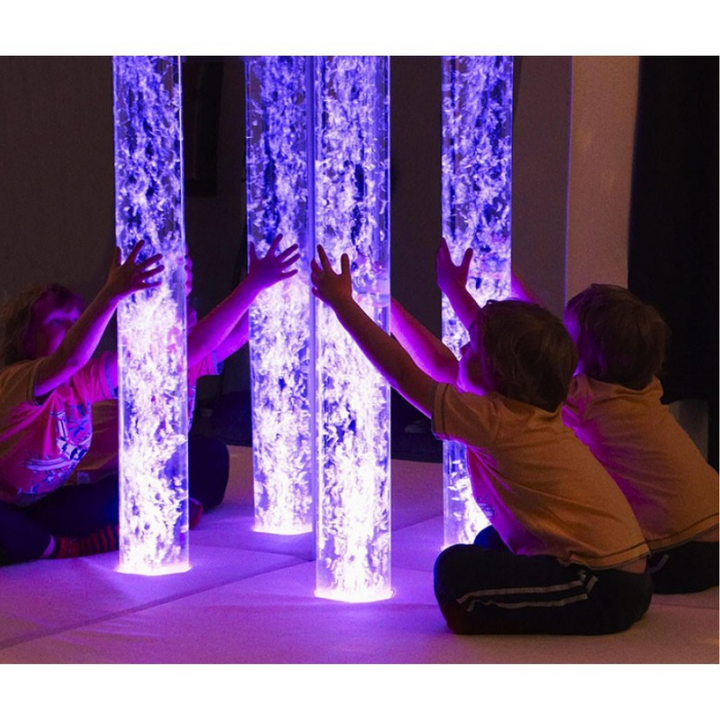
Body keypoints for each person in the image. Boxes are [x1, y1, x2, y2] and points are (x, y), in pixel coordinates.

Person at [310, 239, 651, 635]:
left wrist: (344, 306)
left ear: (497, 373)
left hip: (598, 587)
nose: (461, 347)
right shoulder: (529, 411)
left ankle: (486, 617)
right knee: (490, 541)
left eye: (472, 347)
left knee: (454, 571)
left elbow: (404, 374)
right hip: (626, 575)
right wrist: (384, 302)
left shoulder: (496, 422)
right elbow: (438, 363)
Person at [71, 234, 300, 523]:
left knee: (210, 453)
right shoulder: (143, 355)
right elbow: (199, 345)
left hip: (152, 466)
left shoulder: (187, 358)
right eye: (176, 259)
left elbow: (239, 332)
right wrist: (253, 284)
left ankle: (178, 502)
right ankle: (154, 509)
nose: (187, 265)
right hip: (104, 477)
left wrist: (278, 286)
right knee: (98, 501)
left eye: (187, 259)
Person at [0, 241, 163, 566]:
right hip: (5, 512)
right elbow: (69, 358)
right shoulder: (14, 379)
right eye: (59, 321)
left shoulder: (81, 381)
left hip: (43, 507)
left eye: (78, 320)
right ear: (25, 338)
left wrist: (167, 294)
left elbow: (148, 355)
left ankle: (41, 540)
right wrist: (112, 294)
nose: (74, 328)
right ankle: (61, 548)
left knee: (125, 488)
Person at [563, 284, 719, 593]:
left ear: (581, 351)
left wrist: (461, 294)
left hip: (680, 554)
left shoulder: (587, 398)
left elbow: (523, 363)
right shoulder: (647, 387)